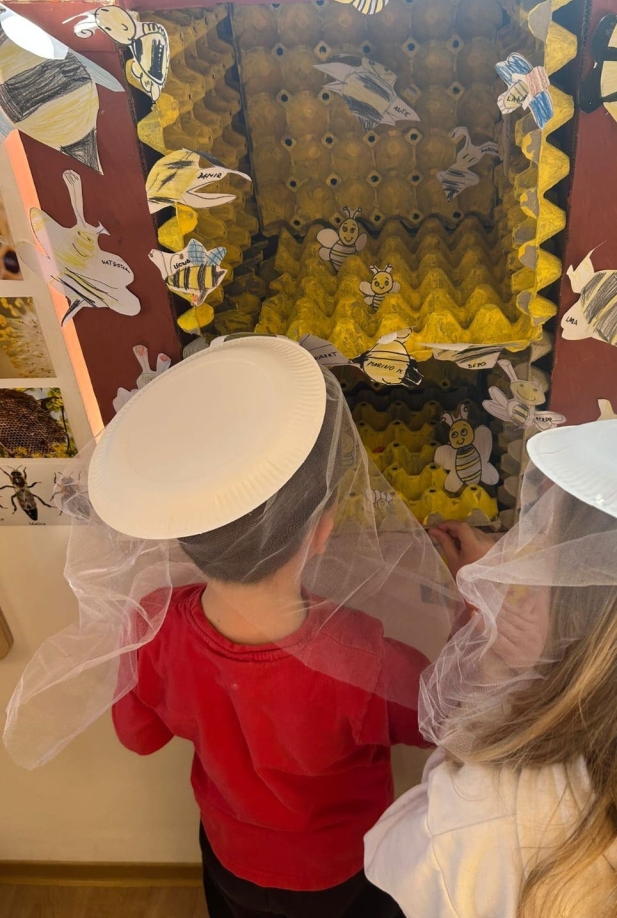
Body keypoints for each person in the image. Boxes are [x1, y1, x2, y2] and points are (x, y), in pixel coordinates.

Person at [4, 336, 458, 918]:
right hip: (340, 868)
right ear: (323, 531)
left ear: (181, 530)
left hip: (230, 855)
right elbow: (440, 721)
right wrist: (473, 601)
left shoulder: (153, 626)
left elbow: (139, 737)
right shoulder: (364, 655)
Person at [365, 418, 617, 918]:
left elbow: (392, 852)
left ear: (586, 604)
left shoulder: (496, 813)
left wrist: (498, 674)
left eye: (549, 554)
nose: (527, 564)